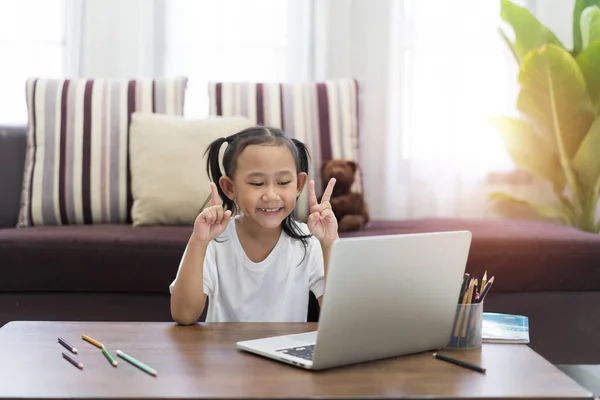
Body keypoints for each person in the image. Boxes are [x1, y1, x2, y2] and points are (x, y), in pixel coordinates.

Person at [169, 126, 338, 324]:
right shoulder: (213, 240)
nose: (271, 196)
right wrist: (198, 242)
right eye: (257, 184)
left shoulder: (309, 241)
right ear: (230, 188)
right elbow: (184, 315)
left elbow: (337, 318)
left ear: (299, 184)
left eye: (283, 182)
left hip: (282, 353)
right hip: (225, 353)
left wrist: (330, 244)